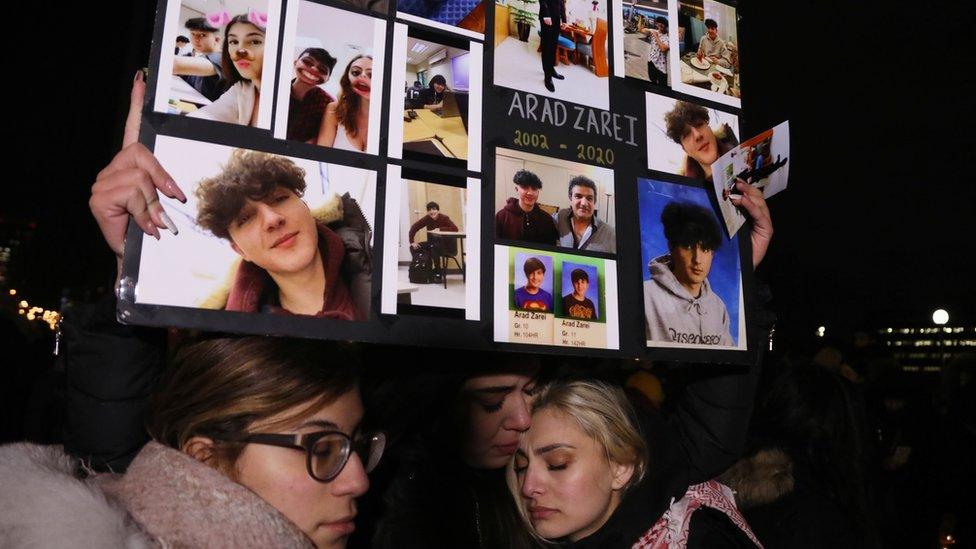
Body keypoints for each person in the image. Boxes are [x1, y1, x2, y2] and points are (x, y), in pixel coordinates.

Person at [507, 379, 763, 547]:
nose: (528, 486)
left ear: (621, 467)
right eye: (521, 466)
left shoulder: (697, 539)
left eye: (556, 463)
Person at [194, 149, 368, 320]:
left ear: (305, 207)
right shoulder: (229, 343)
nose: (272, 219)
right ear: (240, 250)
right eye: (245, 218)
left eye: (279, 199)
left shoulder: (385, 269)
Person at [643, 200, 732, 346]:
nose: (697, 259)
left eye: (705, 249)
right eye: (688, 247)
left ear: (713, 254)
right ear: (672, 248)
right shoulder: (646, 296)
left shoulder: (718, 306)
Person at [188, 11, 266, 126]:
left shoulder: (216, 58)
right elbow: (206, 116)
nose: (240, 50)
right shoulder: (242, 89)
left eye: (255, 42)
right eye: (234, 41)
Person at [664, 100, 738, 180]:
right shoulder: (684, 190)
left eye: (699, 125)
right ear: (685, 150)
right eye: (687, 134)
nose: (697, 135)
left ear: (709, 128)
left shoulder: (746, 155)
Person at [318, 55, 372, 152]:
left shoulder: (389, 119)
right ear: (347, 79)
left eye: (371, 75)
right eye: (356, 72)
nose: (362, 76)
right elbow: (320, 155)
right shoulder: (334, 110)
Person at [553, 175, 616, 253]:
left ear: (594, 202)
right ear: (570, 199)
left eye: (589, 198)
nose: (584, 203)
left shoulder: (609, 233)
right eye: (578, 196)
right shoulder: (560, 217)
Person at [287, 48, 338, 143]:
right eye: (307, 62)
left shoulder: (328, 104)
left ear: (327, 78)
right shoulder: (276, 88)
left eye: (322, 69)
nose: (314, 69)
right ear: (295, 62)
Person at [496, 169, 559, 245]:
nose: (530, 193)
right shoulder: (502, 216)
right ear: (517, 190)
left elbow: (551, 248)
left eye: (534, 188)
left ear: (538, 192)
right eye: (525, 187)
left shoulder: (547, 220)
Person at [172, 17, 225, 102]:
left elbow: (175, 64)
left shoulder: (221, 58)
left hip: (207, 112)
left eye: (202, 35)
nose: (195, 39)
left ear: (217, 39)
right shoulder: (201, 57)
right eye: (192, 34)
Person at [538, 0, 568, 92]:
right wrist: (546, 14)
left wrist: (564, 20)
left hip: (556, 19)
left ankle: (551, 69)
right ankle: (547, 76)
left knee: (553, 46)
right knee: (547, 46)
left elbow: (562, 3)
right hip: (547, 16)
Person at [640, 16, 669, 86]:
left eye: (663, 23)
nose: (660, 24)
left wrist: (656, 36)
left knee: (663, 85)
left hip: (661, 66)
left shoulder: (668, 36)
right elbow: (641, 30)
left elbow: (663, 49)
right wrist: (641, 19)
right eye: (659, 22)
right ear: (656, 24)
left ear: (666, 25)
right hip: (651, 61)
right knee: (652, 81)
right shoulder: (653, 31)